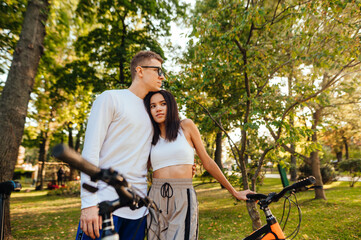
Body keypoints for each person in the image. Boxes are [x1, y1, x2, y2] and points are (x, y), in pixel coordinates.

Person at [76, 51, 165, 240]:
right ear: (140, 71)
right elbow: (90, 153)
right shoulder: (110, 98)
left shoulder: (151, 110)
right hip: (104, 206)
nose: (161, 76)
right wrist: (89, 204)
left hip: (138, 212)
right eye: (157, 70)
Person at [144, 90, 255, 240]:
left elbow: (208, 162)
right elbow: (142, 167)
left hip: (183, 194)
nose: (158, 109)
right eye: (153, 106)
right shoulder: (149, 135)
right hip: (156, 195)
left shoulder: (186, 126)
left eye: (163, 104)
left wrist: (234, 192)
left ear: (171, 106)